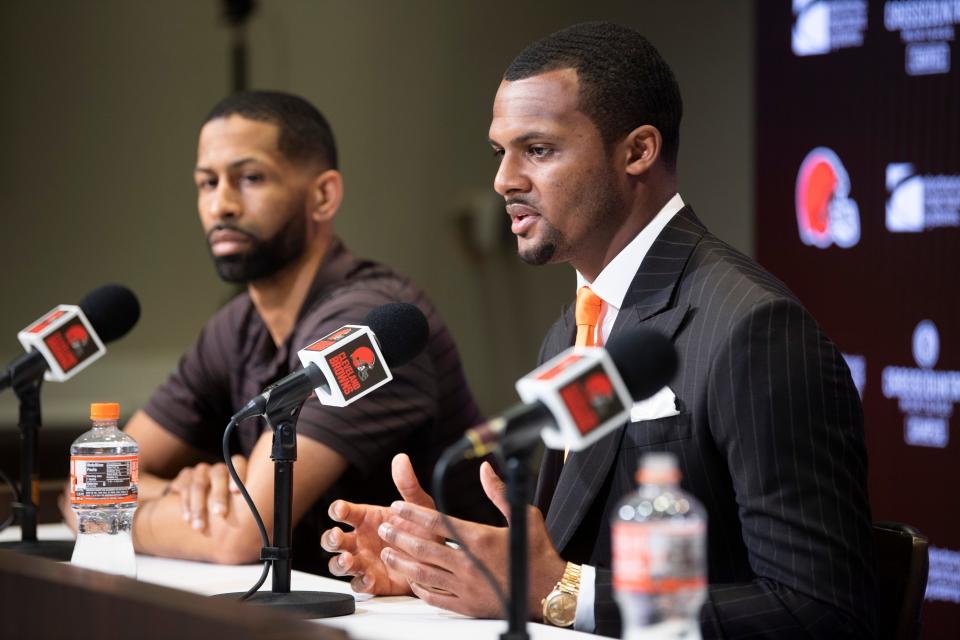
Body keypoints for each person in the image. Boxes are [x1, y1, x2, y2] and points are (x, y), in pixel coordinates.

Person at [320, 22, 877, 638]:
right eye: (499, 152)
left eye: (537, 150)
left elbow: (823, 612)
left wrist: (562, 594)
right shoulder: (571, 327)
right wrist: (445, 566)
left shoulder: (756, 329)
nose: (504, 179)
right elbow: (566, 557)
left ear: (637, 151)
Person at [61, 90, 495, 573]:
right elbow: (87, 482)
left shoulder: (364, 322)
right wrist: (188, 492)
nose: (221, 204)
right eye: (207, 183)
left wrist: (111, 517)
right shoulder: (236, 326)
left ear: (323, 195)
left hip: (460, 615)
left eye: (249, 178)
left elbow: (242, 536)